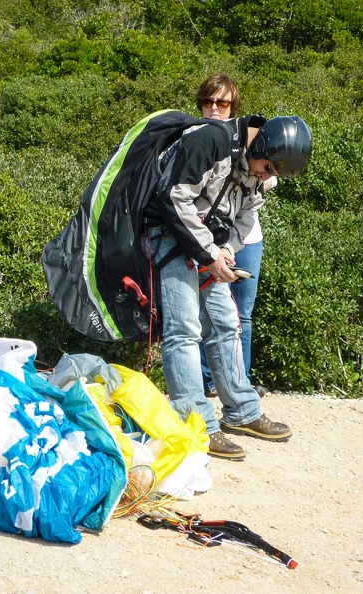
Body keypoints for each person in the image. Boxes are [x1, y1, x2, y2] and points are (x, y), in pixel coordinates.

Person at [142, 104, 312, 460]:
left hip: (208, 243)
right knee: (184, 328)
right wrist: (209, 254)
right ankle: (197, 424)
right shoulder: (210, 141)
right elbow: (173, 196)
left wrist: (226, 250)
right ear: (260, 147)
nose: (267, 178)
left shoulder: (260, 167)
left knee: (226, 323)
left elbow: (247, 214)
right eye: (266, 169)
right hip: (168, 234)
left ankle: (242, 411)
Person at [194, 74, 276, 400]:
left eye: (223, 102)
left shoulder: (251, 140)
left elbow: (271, 176)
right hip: (205, 238)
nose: (215, 108)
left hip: (245, 237)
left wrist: (252, 176)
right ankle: (207, 381)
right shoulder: (197, 137)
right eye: (208, 101)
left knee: (240, 314)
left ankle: (241, 382)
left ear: (234, 107)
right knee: (206, 313)